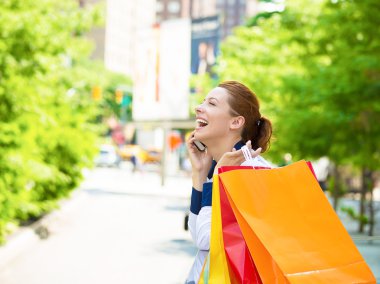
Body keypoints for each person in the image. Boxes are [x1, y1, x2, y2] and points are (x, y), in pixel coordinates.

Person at [185, 80, 273, 283]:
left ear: (236, 122)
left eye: (212, 104)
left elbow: (209, 240)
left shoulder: (253, 172)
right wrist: (199, 174)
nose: (199, 107)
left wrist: (218, 176)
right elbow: (198, 236)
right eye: (202, 101)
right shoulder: (219, 166)